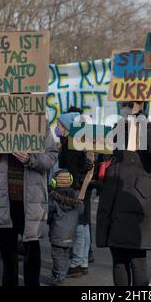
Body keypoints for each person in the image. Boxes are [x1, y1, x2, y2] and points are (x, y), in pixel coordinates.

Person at [96, 101, 151, 286]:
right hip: (113, 201)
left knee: (137, 261)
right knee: (118, 260)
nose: (125, 107)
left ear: (141, 105)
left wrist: (140, 121)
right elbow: (105, 158)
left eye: (129, 104)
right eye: (123, 103)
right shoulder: (116, 128)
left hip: (136, 202)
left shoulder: (149, 128)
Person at [0, 123, 57, 286]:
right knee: (7, 252)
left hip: (30, 201)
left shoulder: (40, 125)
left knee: (32, 247)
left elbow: (51, 157)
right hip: (5, 199)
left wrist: (30, 159)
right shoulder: (0, 123)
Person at [53, 111, 94, 278]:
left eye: (60, 125)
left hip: (75, 188)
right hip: (83, 187)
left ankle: (77, 262)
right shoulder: (78, 142)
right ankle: (82, 261)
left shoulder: (71, 144)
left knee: (77, 225)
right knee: (83, 225)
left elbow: (69, 170)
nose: (57, 128)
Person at [46, 169, 83, 286]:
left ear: (54, 182)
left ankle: (59, 276)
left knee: (57, 256)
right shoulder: (75, 198)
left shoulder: (53, 198)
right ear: (70, 181)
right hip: (71, 234)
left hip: (57, 233)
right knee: (65, 254)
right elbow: (81, 210)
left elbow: (49, 214)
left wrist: (49, 222)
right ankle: (60, 273)